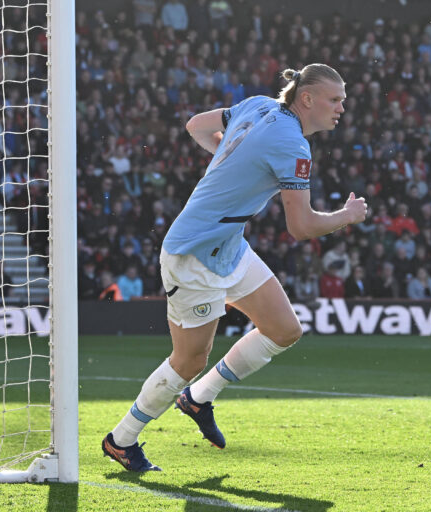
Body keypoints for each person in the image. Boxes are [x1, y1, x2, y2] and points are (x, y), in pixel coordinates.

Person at [102, 64, 366, 471]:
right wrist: (347, 215)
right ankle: (121, 439)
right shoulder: (293, 145)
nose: (342, 107)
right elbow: (302, 226)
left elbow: (195, 126)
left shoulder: (258, 104)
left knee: (284, 330)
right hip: (192, 254)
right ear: (308, 99)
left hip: (228, 245)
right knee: (188, 360)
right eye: (336, 99)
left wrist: (232, 156)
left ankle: (198, 398)